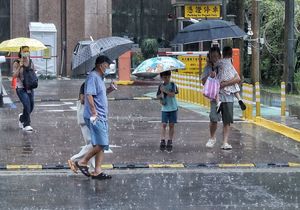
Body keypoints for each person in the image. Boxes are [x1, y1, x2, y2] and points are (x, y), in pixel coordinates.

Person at [75, 55, 117, 180]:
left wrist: (110, 89)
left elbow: (100, 95)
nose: (108, 67)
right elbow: (89, 95)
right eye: (107, 64)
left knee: (101, 144)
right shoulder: (93, 77)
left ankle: (97, 171)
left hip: (101, 115)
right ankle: (82, 162)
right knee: (102, 143)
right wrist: (94, 112)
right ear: (101, 64)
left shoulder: (100, 78)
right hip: (96, 116)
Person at [201, 46, 241, 150]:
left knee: (227, 120)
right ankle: (212, 138)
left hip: (228, 96)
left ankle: (225, 142)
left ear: (220, 55)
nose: (214, 57)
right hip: (215, 97)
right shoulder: (208, 67)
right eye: (212, 56)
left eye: (216, 55)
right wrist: (210, 76)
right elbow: (203, 82)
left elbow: (237, 78)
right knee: (214, 118)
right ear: (209, 56)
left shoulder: (227, 64)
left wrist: (225, 84)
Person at [68, 82, 95, 174]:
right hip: (85, 117)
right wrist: (92, 100)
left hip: (88, 117)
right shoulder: (86, 85)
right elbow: (83, 99)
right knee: (94, 144)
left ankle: (93, 168)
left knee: (92, 144)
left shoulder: (90, 84)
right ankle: (74, 160)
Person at [12, 46, 36, 132]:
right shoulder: (17, 62)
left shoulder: (31, 61)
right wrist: (20, 66)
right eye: (24, 51)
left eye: (27, 51)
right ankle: (27, 124)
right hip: (21, 88)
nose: (26, 52)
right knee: (27, 105)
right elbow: (14, 76)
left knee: (31, 106)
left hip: (30, 87)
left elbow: (34, 71)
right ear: (21, 52)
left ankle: (22, 117)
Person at [216, 46, 246, 112]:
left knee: (217, 89)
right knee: (235, 89)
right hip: (231, 77)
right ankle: (239, 99)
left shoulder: (220, 61)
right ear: (231, 54)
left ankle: (219, 103)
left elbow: (215, 65)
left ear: (223, 53)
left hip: (223, 78)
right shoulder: (231, 60)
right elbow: (237, 77)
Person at [156, 70, 179, 151]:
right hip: (165, 108)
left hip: (173, 108)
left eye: (168, 77)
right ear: (161, 77)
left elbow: (172, 94)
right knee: (164, 124)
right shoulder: (160, 86)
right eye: (165, 77)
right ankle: (162, 140)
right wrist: (160, 94)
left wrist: (164, 90)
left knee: (172, 125)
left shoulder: (173, 84)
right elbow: (158, 96)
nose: (167, 79)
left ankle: (170, 140)